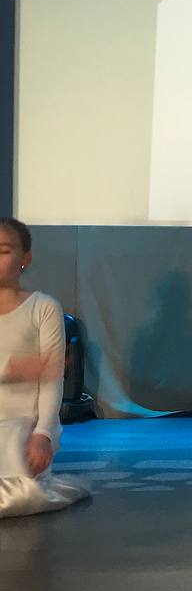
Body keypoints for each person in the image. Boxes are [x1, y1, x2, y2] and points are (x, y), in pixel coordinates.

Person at [0, 218, 88, 517]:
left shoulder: (43, 307)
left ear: (25, 258)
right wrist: (13, 369)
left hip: (20, 426)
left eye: (4, 251)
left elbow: (52, 380)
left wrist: (43, 435)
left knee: (18, 493)